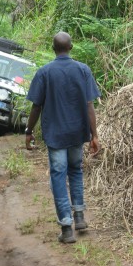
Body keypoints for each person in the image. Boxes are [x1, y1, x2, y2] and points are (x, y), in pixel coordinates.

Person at [24, 31, 101, 244]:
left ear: (53, 49)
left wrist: (29, 131)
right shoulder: (83, 70)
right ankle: (80, 217)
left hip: (56, 134)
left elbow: (36, 106)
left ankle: (67, 228)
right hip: (77, 132)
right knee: (75, 170)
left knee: (58, 175)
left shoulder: (45, 73)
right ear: (72, 47)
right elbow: (89, 105)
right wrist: (94, 135)